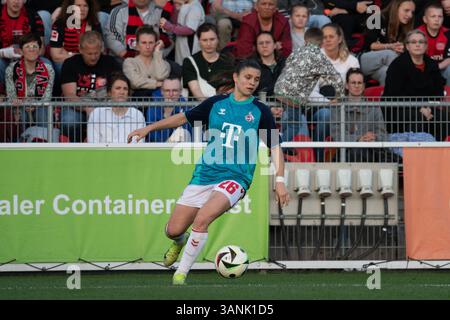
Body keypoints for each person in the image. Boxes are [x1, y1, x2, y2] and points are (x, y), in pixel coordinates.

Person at [127, 59, 289, 285]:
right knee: (173, 230)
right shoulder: (216, 104)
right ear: (236, 77)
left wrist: (280, 179)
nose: (252, 83)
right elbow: (183, 118)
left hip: (236, 178)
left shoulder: (260, 111)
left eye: (256, 79)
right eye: (248, 77)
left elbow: (275, 147)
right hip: (205, 174)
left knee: (202, 219)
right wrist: (149, 127)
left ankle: (180, 275)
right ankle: (179, 241)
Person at [274, 28, 344, 142]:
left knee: (289, 120)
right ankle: (275, 144)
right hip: (294, 95)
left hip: (279, 89)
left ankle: (276, 139)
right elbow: (334, 77)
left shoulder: (296, 52)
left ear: (305, 40)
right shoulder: (319, 57)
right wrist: (339, 96)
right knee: (295, 125)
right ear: (321, 44)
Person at [383, 29, 447, 141]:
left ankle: (438, 152)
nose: (417, 45)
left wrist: (429, 107)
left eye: (421, 42)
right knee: (418, 117)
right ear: (407, 46)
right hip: (399, 109)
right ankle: (416, 155)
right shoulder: (397, 65)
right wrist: (419, 107)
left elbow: (438, 92)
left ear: (426, 46)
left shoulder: (432, 65)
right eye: (413, 42)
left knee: (443, 117)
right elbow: (394, 94)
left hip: (427, 107)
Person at [60, 30, 121, 142]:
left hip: (106, 106)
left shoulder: (111, 63)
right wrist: (87, 108)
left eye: (96, 53)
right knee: (69, 120)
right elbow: (69, 95)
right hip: (78, 107)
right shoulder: (70, 63)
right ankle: (77, 147)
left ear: (101, 49)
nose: (93, 57)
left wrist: (101, 110)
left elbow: (120, 90)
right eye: (89, 53)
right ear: (80, 49)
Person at [330, 68, 399, 162]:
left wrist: (374, 137)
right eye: (353, 83)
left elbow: (383, 134)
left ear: (364, 86)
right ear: (347, 85)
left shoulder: (374, 108)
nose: (357, 86)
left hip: (371, 151)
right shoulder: (337, 108)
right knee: (356, 152)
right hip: (346, 152)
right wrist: (358, 139)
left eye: (359, 83)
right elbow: (336, 134)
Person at [4, 32, 55, 137]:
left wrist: (35, 105)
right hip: (19, 106)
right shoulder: (11, 69)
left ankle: (44, 143)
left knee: (43, 113)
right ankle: (18, 145)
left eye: (35, 46)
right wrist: (19, 103)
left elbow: (47, 96)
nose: (31, 49)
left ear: (40, 50)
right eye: (27, 46)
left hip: (40, 106)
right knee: (19, 114)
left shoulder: (48, 69)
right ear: (21, 51)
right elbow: (11, 94)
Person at [360, 0, 416, 85]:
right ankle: (414, 79)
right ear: (396, 8)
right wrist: (390, 46)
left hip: (385, 66)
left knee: (386, 73)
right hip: (366, 61)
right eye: (406, 10)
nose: (410, 15)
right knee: (390, 54)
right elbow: (370, 44)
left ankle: (392, 98)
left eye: (412, 12)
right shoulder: (377, 17)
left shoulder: (405, 27)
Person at [87, 72, 146, 143]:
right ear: (109, 92)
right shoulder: (97, 113)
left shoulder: (137, 114)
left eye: (125, 89)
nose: (122, 92)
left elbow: (139, 144)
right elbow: (93, 143)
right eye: (118, 88)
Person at [0, 0, 45, 92]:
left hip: (28, 57)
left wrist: (26, 53)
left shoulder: (33, 15)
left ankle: (37, 98)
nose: (16, 2)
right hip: (3, 58)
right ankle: (4, 94)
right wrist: (4, 52)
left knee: (46, 63)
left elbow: (42, 49)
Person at [182, 23, 235, 100]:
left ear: (218, 39)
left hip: (223, 106)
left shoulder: (227, 60)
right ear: (199, 41)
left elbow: (231, 88)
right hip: (198, 107)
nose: (208, 44)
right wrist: (209, 107)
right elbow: (195, 90)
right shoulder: (189, 61)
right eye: (204, 40)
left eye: (212, 39)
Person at [105, 0, 171, 60]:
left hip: (155, 60)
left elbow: (169, 38)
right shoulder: (118, 11)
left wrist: (156, 56)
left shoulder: (161, 12)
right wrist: (126, 55)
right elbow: (111, 37)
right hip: (123, 60)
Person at [123, 26, 171, 96]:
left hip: (158, 103)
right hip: (137, 103)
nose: (147, 46)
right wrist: (157, 83)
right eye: (144, 43)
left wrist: (157, 51)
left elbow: (161, 76)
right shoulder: (129, 62)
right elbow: (135, 82)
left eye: (151, 42)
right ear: (137, 44)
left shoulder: (164, 63)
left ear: (156, 44)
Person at [146, 76, 192, 142]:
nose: (171, 94)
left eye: (175, 90)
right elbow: (154, 137)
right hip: (158, 148)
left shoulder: (187, 109)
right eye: (167, 91)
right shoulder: (153, 108)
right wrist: (167, 115)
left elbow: (189, 134)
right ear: (161, 91)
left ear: (180, 92)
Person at [160, 0, 205, 65]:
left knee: (190, 67)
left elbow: (189, 30)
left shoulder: (195, 8)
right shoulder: (186, 5)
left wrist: (169, 26)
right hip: (181, 44)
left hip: (190, 47)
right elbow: (178, 24)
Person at [417, 2, 450, 85]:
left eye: (440, 16)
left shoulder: (448, 33)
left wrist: (437, 67)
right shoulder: (417, 34)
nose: (437, 19)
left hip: (442, 68)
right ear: (425, 19)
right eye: (433, 16)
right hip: (422, 70)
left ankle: (448, 95)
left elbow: (449, 58)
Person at [253, 31, 285, 96]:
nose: (264, 45)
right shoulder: (252, 66)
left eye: (268, 42)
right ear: (256, 47)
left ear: (275, 45)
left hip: (285, 104)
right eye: (261, 43)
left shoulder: (285, 64)